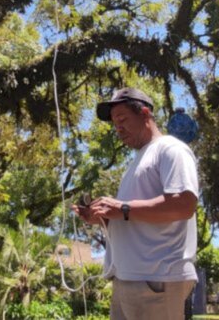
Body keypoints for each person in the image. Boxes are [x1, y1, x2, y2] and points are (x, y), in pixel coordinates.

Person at [73, 87, 201, 320]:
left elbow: (184, 205)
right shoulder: (138, 161)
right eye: (114, 123)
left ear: (145, 114)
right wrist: (103, 219)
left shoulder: (171, 149)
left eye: (122, 119)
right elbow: (137, 219)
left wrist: (121, 208)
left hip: (157, 279)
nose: (118, 128)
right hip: (128, 278)